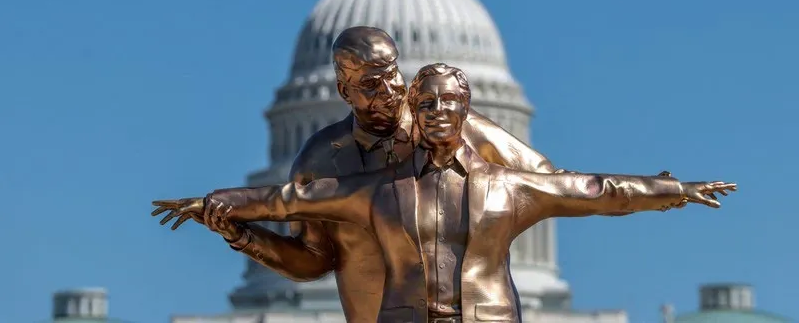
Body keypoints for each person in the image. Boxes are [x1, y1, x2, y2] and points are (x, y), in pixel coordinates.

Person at [154, 63, 736, 323]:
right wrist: (217, 205)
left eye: (448, 103)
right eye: (426, 103)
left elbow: (598, 190)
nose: (436, 112)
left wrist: (674, 189)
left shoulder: (508, 187)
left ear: (468, 112)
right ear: (413, 109)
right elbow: (292, 199)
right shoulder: (379, 189)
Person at [154, 27, 562, 323]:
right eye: (370, 83)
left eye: (392, 74)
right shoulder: (320, 160)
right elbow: (313, 261)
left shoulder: (454, 128)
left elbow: (545, 181)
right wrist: (241, 235)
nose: (389, 91)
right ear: (343, 91)